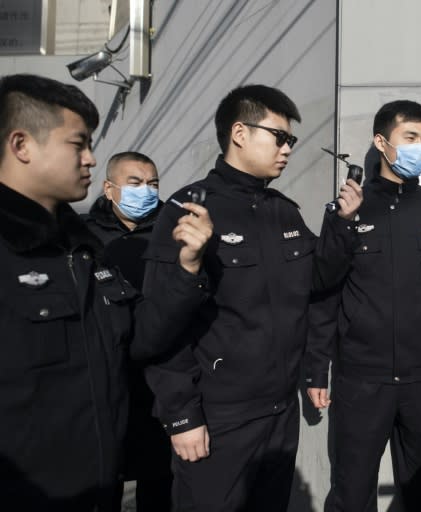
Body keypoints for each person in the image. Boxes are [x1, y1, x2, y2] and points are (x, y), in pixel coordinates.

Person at [143, 84, 362, 512]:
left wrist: (343, 222)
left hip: (279, 412)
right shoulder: (189, 209)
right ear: (239, 133)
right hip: (218, 415)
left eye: (291, 141)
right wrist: (182, 415)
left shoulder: (283, 209)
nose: (287, 150)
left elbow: (317, 278)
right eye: (280, 137)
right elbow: (163, 323)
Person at [0, 74, 212, 511]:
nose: (91, 159)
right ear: (22, 145)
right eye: (78, 144)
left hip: (98, 484)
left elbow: (141, 335)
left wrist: (187, 268)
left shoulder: (81, 251)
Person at [304, 100, 421, 511]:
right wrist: (316, 370)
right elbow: (324, 292)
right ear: (382, 143)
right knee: (352, 491)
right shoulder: (347, 210)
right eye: (411, 138)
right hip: (362, 380)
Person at [83, 152, 172, 511]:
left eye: (153, 184)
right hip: (106, 380)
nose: (146, 192)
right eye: (135, 183)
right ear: (109, 188)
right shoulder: (83, 237)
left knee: (161, 485)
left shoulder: (172, 230)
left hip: (161, 380)